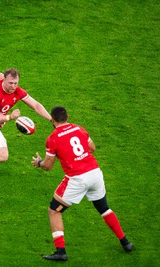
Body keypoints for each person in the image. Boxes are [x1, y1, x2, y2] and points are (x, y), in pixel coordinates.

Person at [31, 106, 133, 261]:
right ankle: (125, 242)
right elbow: (92, 148)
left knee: (54, 211)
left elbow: (48, 166)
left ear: (52, 119)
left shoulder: (52, 138)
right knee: (104, 209)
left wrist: (39, 163)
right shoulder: (79, 128)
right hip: (95, 173)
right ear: (67, 116)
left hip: (77, 179)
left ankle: (60, 251)